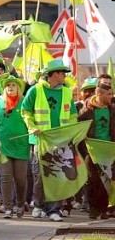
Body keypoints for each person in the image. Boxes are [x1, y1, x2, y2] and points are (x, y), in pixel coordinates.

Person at [21, 58, 78, 222]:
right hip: (40, 140)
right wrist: (32, 127)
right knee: (39, 175)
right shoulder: (35, 90)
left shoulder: (67, 92)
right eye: (62, 73)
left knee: (57, 175)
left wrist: (70, 134)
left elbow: (73, 116)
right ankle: (39, 205)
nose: (65, 76)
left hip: (60, 141)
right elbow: (25, 112)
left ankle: (54, 210)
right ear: (53, 74)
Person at [78, 74, 115, 220]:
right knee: (93, 180)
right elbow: (79, 130)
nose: (111, 96)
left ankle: (104, 209)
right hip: (91, 151)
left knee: (107, 180)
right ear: (99, 94)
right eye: (109, 94)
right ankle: (93, 209)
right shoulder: (87, 111)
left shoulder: (112, 110)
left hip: (109, 151)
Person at [0, 75, 30, 219]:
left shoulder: (24, 102)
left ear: (18, 88)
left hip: (21, 145)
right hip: (4, 145)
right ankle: (8, 207)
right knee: (6, 177)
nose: (10, 87)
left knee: (20, 179)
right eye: (7, 85)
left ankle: (20, 204)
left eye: (13, 85)